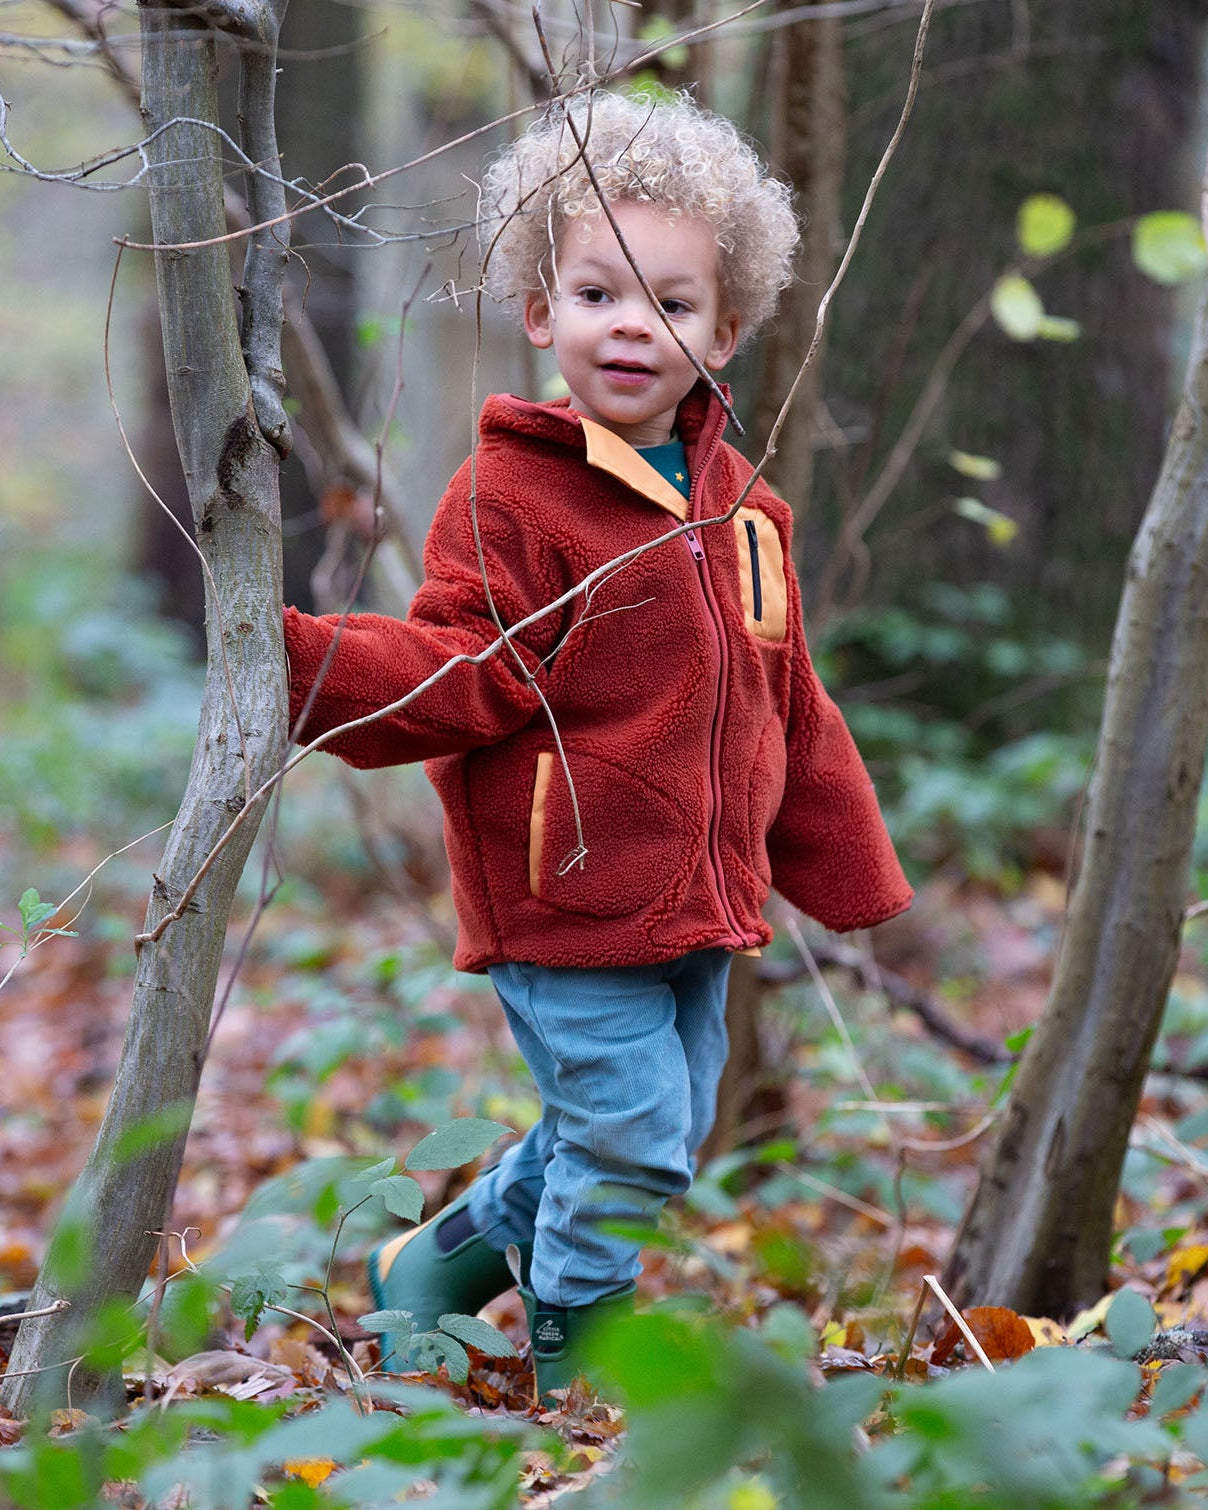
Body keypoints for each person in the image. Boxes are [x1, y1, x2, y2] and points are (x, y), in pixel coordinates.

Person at [283, 89, 912, 1403]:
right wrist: (309, 666)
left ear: (723, 329)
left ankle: (443, 1264)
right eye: (597, 294)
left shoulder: (748, 512)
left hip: (699, 899)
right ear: (538, 310)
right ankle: (580, 1371)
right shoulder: (511, 494)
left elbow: (787, 702)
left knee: (651, 1128)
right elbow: (465, 659)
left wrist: (851, 875)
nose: (632, 326)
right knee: (627, 1135)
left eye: (672, 304)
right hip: (566, 895)